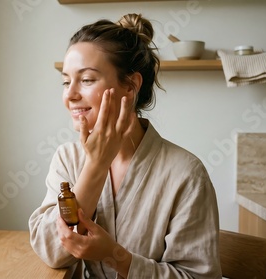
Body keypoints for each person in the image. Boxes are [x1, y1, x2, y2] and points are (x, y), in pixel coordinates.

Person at [28, 13, 221, 278]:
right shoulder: (68, 158)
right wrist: (95, 167)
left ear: (130, 86)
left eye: (86, 80)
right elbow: (51, 251)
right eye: (65, 81)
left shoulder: (185, 173)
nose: (70, 95)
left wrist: (116, 256)